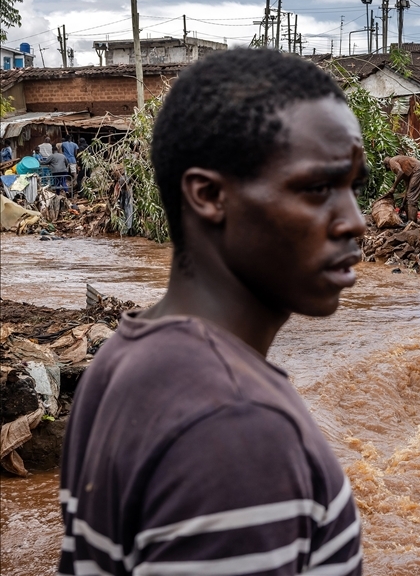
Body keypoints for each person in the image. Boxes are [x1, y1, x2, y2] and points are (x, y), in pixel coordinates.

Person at [58, 49, 364, 576]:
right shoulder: (237, 424)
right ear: (208, 195)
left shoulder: (121, 359)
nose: (354, 221)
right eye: (317, 188)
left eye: (352, 187)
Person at [382, 154, 420, 221]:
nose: (392, 170)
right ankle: (409, 219)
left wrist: (393, 187)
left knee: (412, 198)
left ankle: (412, 222)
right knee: (409, 197)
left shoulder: (391, 161)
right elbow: (408, 188)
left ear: (387, 165)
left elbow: (400, 172)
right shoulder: (406, 170)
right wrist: (403, 204)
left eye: (390, 169)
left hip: (419, 170)